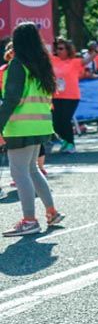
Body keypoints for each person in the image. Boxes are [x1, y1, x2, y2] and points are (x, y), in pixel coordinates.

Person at [1, 23, 63, 237]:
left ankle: (29, 220)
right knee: (32, 170)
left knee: (19, 173)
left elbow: (11, 99)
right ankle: (51, 212)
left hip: (21, 127)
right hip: (41, 125)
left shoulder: (18, 64)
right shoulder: (42, 65)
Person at [51, 39, 83, 154]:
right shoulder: (53, 60)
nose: (58, 51)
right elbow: (41, 53)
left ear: (68, 50)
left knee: (65, 119)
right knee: (56, 122)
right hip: (56, 96)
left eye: (61, 49)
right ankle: (65, 141)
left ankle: (71, 144)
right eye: (57, 49)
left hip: (71, 97)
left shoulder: (75, 62)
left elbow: (88, 60)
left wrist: (97, 51)